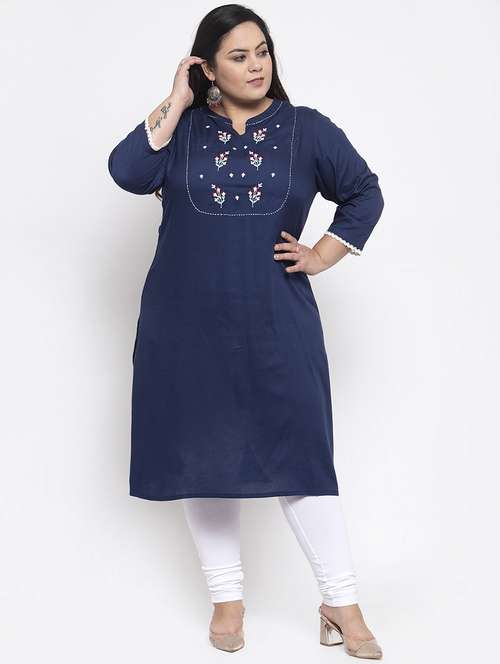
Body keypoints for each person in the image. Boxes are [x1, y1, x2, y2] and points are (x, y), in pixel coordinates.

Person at [107, 4, 384, 659]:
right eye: (238, 56)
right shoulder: (181, 131)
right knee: (201, 459)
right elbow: (127, 171)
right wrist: (176, 100)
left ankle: (341, 601)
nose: (256, 66)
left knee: (302, 457)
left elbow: (364, 192)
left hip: (275, 320)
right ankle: (226, 600)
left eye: (262, 51)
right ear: (206, 67)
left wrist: (323, 253)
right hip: (184, 323)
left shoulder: (306, 129)